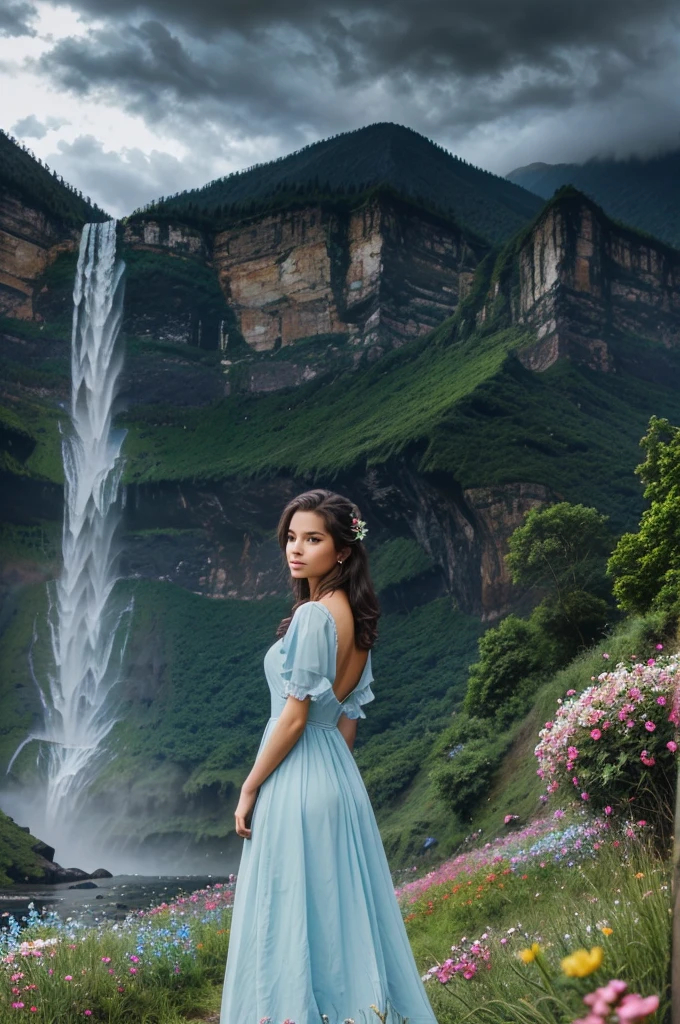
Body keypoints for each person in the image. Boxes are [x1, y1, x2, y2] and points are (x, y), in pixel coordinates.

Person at [220, 489, 439, 1024]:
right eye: (291, 538)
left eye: (312, 538)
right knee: (339, 915)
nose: (296, 549)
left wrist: (250, 787)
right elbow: (345, 722)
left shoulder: (315, 617)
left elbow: (294, 718)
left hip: (297, 775)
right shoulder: (357, 619)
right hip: (335, 777)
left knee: (290, 915)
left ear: (342, 550)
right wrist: (330, 778)